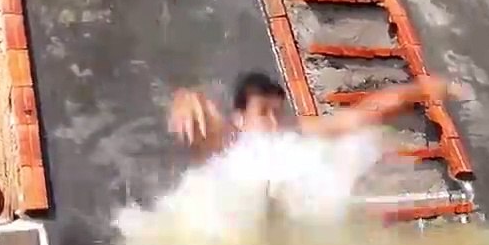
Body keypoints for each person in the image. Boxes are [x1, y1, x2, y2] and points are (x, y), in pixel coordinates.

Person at [167, 70, 465, 158]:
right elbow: (199, 113)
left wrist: (424, 89)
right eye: (262, 113)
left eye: (276, 113)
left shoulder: (291, 136)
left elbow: (364, 114)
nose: (272, 122)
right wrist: (185, 98)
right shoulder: (230, 143)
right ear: (240, 117)